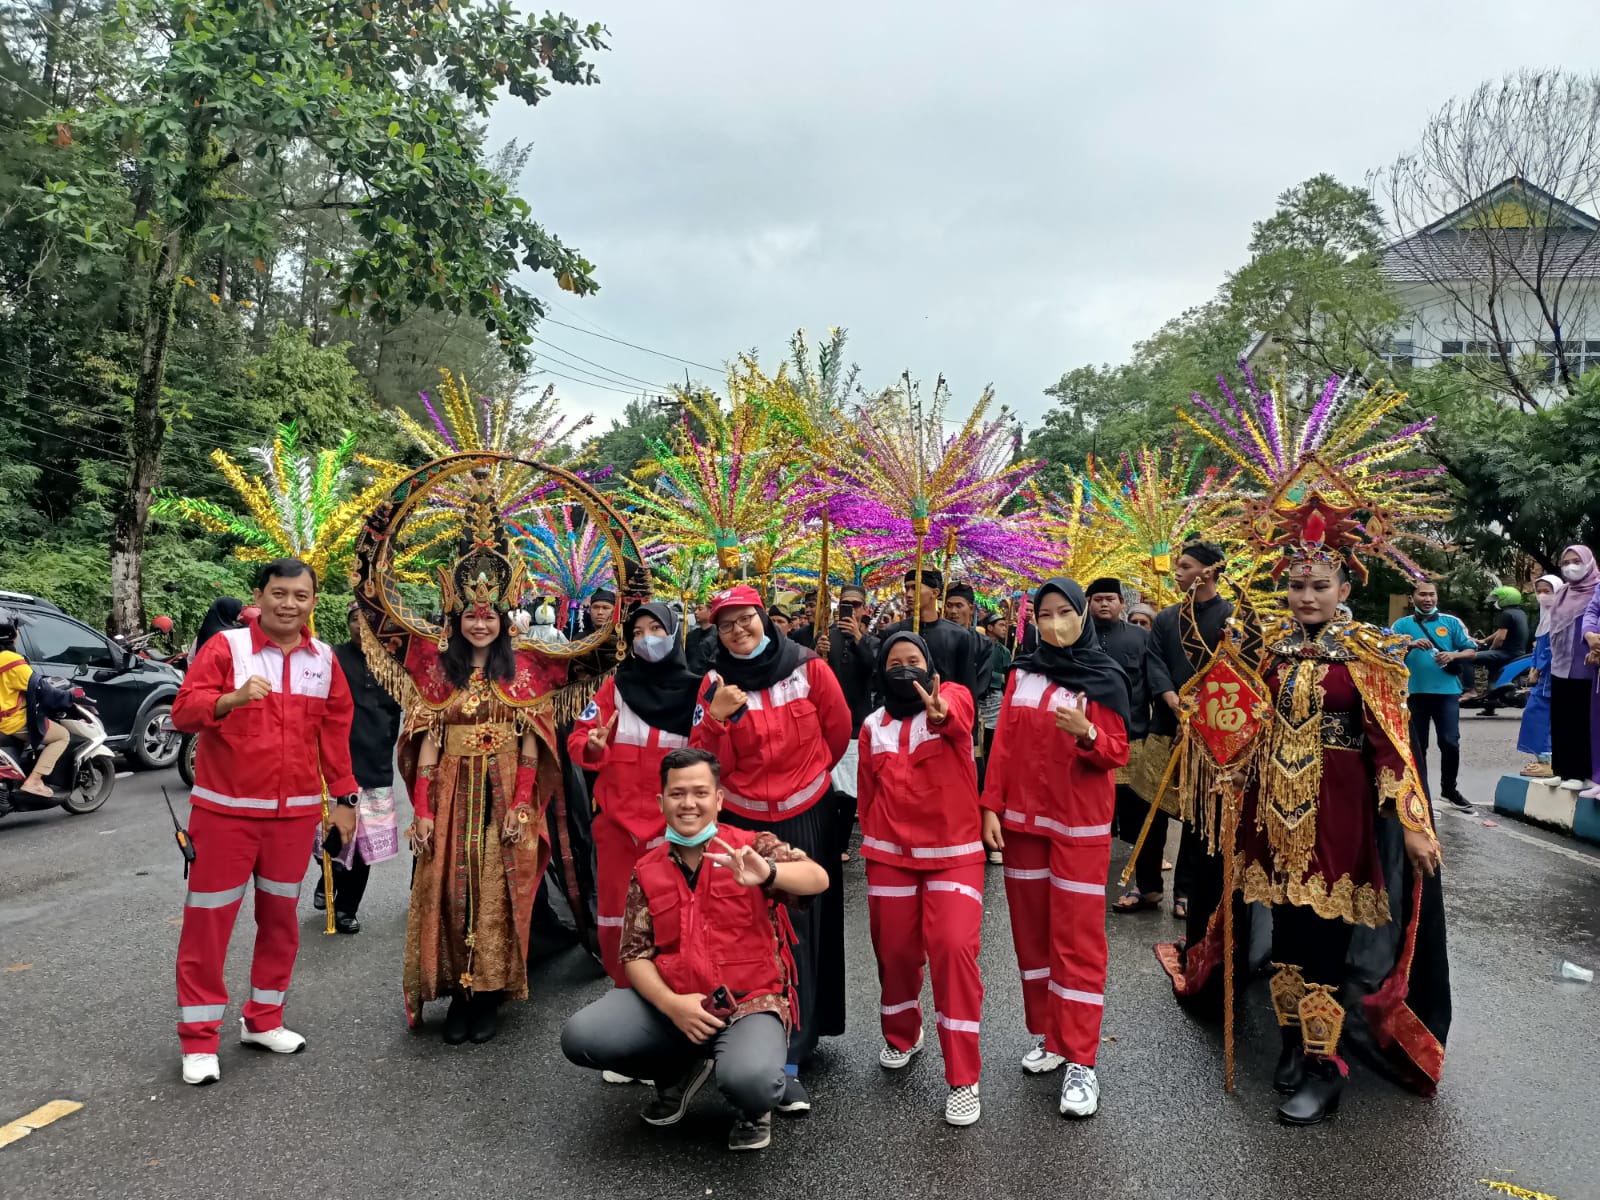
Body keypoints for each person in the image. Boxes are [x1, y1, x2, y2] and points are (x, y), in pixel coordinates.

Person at [1225, 532, 1447, 1124]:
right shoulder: (1270, 650)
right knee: (1287, 935)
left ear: (1344, 591)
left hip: (1338, 810)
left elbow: (1392, 748)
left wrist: (1411, 822)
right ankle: (1294, 1041)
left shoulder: (1367, 653)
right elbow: (1246, 720)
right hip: (1271, 811)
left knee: (1326, 935)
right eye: (1296, 586)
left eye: (1319, 586)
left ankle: (1327, 1069)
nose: (1306, 596)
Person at [560, 747, 829, 1152]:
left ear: (719, 799)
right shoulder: (647, 868)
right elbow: (634, 955)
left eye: (701, 793)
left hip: (747, 1003)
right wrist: (671, 1004)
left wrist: (768, 873)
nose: (689, 804)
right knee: (583, 1036)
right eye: (677, 794)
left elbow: (817, 878)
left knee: (753, 1081)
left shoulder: (750, 848)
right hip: (676, 1003)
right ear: (661, 802)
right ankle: (679, 1071)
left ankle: (753, 1109)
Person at [170, 559, 358, 1086]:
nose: (289, 604)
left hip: (294, 818)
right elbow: (184, 711)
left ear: (313, 603)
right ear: (260, 595)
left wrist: (345, 798)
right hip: (224, 814)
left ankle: (264, 1019)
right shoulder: (226, 648)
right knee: (209, 925)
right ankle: (200, 1040)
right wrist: (230, 698)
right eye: (279, 593)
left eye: (301, 596)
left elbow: (335, 735)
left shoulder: (324, 659)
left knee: (280, 922)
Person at [689, 585, 853, 1113]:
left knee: (803, 931)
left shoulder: (809, 668)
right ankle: (747, 1039)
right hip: (739, 820)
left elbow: (838, 730)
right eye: (726, 625)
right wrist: (715, 717)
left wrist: (803, 785)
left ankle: (792, 1057)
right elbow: (701, 761)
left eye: (746, 620)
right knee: (753, 933)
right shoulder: (713, 683)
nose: (739, 631)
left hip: (805, 813)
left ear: (764, 618)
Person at [983, 578, 1130, 1118]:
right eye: (1043, 613)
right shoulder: (1021, 671)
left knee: (1077, 939)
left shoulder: (1103, 676)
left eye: (1064, 611)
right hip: (1023, 825)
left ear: (1083, 613)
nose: (1053, 622)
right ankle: (1049, 1034)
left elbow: (1117, 753)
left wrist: (1088, 733)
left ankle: (1082, 1060)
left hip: (1077, 826)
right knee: (1033, 936)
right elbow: (1003, 745)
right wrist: (990, 806)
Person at [857, 631, 986, 1125]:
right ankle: (902, 1034)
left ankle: (963, 1079)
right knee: (895, 951)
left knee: (952, 949)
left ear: (931, 668)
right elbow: (868, 791)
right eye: (895, 662)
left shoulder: (952, 701)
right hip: (890, 855)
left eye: (914, 660)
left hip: (954, 854)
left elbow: (956, 714)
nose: (904, 669)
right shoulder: (872, 726)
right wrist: (875, 839)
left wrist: (942, 711)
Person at [569, 602, 702, 986]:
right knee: (616, 917)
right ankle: (625, 988)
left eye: (656, 629)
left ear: (675, 633)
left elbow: (713, 753)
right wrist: (593, 747)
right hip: (618, 828)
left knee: (673, 914)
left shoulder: (699, 690)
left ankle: (677, 991)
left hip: (678, 830)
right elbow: (582, 738)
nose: (647, 639)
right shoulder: (616, 687)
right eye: (638, 633)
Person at [1142, 541, 1233, 926]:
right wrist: (1171, 702)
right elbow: (1155, 661)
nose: (1177, 572)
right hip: (1165, 721)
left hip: (1209, 729)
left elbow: (1232, 673)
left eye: (1185, 566)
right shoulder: (1166, 618)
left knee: (1198, 814)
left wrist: (1196, 714)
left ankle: (1186, 890)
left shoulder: (1234, 617)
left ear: (1209, 572)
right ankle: (1146, 885)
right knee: (1151, 804)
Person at [313, 603, 406, 934]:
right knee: (335, 836)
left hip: (376, 763)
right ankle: (328, 877)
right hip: (336, 762)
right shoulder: (330, 658)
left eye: (370, 621)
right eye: (355, 619)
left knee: (365, 845)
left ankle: (347, 908)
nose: (361, 626)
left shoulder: (396, 664)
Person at [1080, 578, 1161, 916]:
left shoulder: (1142, 638)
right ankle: (1081, 882)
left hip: (1134, 738)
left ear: (1121, 603)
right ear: (1087, 602)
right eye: (1097, 599)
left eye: (1110, 599)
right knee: (1088, 814)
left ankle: (1149, 886)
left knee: (1144, 817)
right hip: (1086, 738)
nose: (1103, 605)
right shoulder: (1075, 638)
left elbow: (1155, 681)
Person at [1392, 580, 1476, 811]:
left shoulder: (1451, 623)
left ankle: (1449, 789)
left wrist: (1452, 655)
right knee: (1418, 746)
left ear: (1437, 597)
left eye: (1431, 595)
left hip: (1447, 693)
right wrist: (1408, 645)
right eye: (1422, 595)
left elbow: (1470, 651)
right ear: (1412, 598)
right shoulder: (1401, 625)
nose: (1427, 599)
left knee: (1450, 742)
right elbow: (1387, 651)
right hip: (1413, 694)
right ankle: (1420, 792)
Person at [861, 569, 981, 709]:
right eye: (907, 588)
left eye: (915, 588)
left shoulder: (959, 636)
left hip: (942, 715)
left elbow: (967, 689)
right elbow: (881, 682)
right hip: (900, 715)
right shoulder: (893, 632)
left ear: (934, 593)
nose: (909, 594)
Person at [813, 584, 877, 800]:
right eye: (845, 605)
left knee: (852, 790)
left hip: (859, 720)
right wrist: (817, 653)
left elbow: (875, 670)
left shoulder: (872, 641)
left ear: (864, 609)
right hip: (828, 720)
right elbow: (811, 676)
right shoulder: (826, 637)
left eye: (855, 605)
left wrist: (858, 638)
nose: (850, 609)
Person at [0, 608, 70, 805]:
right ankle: (35, 780)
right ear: (8, 633)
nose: (18, 633)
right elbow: (39, 688)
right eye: (16, 629)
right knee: (61, 736)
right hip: (11, 721)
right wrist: (67, 697)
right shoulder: (9, 660)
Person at [1544, 546, 1598, 793]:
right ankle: (1562, 770)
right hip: (1560, 664)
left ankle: (1581, 772)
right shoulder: (1563, 593)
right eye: (1566, 562)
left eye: (1577, 561)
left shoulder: (1595, 590)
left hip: (1585, 666)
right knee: (1561, 717)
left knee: (1582, 719)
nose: (1571, 566)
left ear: (1589, 563)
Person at [1518, 576, 1561, 778]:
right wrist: (1533, 666)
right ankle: (1545, 759)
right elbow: (1538, 648)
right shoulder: (1545, 617)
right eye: (1539, 591)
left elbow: (1553, 649)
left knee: (1539, 715)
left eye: (1548, 591)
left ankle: (1547, 761)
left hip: (1551, 676)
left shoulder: (1560, 617)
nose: (1542, 596)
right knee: (1539, 716)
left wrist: (1538, 669)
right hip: (1543, 674)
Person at [1470, 586, 1530, 714]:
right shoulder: (1520, 613)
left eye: (1498, 598)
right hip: (1518, 652)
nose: (1495, 601)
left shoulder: (1506, 614)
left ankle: (1469, 691)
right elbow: (1500, 631)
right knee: (1493, 671)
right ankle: (1490, 704)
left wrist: (1492, 648)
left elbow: (1501, 637)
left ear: (1505, 599)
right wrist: (1485, 640)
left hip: (1506, 653)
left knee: (1467, 657)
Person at [686, 599, 718, 673]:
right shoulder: (691, 635)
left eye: (700, 609)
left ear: (711, 611)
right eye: (695, 609)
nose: (696, 612)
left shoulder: (718, 636)